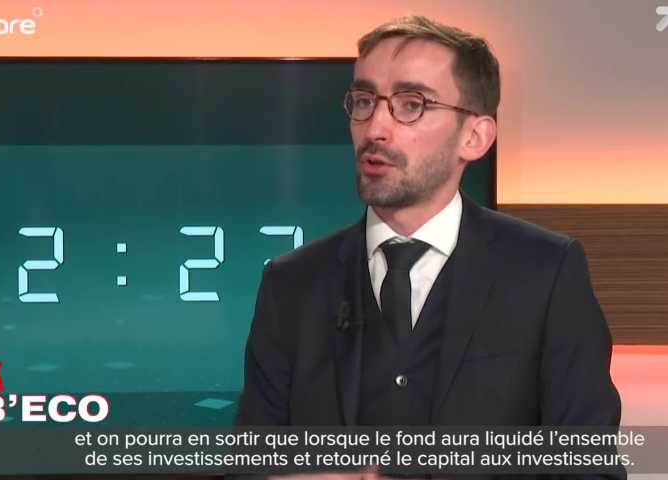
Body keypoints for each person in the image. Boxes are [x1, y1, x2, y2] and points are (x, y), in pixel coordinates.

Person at [235, 15, 623, 480]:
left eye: (411, 104)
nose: (375, 127)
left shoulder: (546, 273)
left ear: (474, 137)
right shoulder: (291, 283)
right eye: (364, 101)